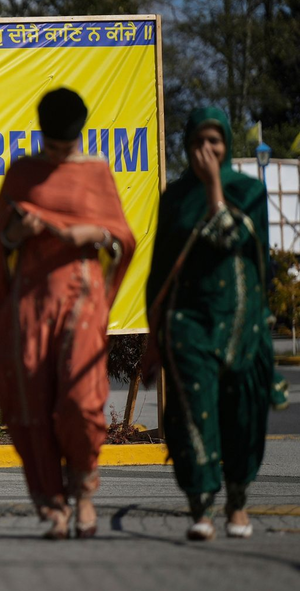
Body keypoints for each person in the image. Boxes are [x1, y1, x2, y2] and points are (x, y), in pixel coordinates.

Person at [0, 88, 135, 539]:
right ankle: (51, 502)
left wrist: (97, 233)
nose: (59, 154)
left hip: (82, 298)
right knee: (28, 399)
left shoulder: (96, 171)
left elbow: (121, 236)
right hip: (31, 300)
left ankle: (84, 492)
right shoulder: (23, 172)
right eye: (53, 145)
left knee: (79, 400)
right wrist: (15, 233)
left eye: (65, 146)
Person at [144, 106, 281, 541]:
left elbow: (237, 240)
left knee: (242, 415)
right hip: (188, 324)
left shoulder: (249, 193)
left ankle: (238, 504)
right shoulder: (175, 197)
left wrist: (215, 189)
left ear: (225, 145)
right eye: (199, 142)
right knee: (190, 414)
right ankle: (200, 506)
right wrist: (153, 337)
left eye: (215, 142)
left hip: (242, 323)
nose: (207, 150)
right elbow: (161, 270)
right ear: (186, 146)